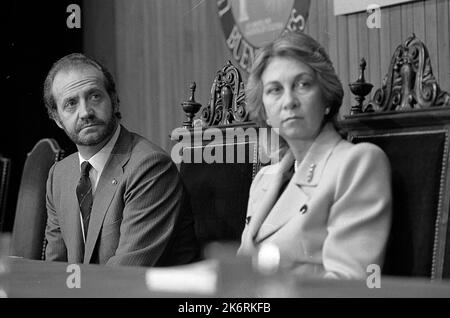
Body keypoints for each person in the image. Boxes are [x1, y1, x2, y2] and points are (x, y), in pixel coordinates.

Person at [238, 32, 392, 279]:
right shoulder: (264, 179)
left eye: (302, 85)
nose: (289, 101)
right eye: (275, 90)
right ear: (265, 113)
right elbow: (241, 273)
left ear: (327, 98)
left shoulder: (357, 163)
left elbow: (347, 283)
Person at [43, 53, 199, 266]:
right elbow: (55, 270)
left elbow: (124, 275)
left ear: (115, 101)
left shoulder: (150, 166)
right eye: (70, 103)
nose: (85, 112)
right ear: (57, 119)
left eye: (95, 96)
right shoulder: (58, 175)